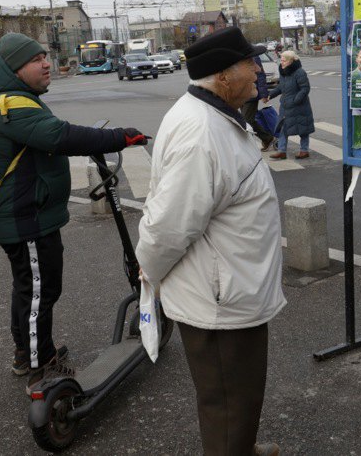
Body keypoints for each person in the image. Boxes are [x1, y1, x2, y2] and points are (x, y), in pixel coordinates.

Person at [135, 27, 284, 456]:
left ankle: (240, 447)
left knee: (241, 392)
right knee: (227, 400)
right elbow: (168, 227)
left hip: (231, 287)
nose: (258, 70)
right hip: (217, 298)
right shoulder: (201, 134)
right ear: (222, 76)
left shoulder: (218, 115)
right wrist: (149, 273)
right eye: (249, 63)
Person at [0, 32, 146, 394]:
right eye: (36, 59)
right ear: (15, 68)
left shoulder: (6, 99)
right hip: (25, 217)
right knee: (39, 291)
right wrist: (119, 137)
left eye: (45, 56)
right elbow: (60, 136)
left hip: (23, 214)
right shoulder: (10, 106)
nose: (47, 63)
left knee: (28, 288)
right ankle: (41, 369)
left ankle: (28, 354)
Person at [268, 50, 314, 160]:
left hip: (299, 106)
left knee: (303, 128)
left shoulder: (299, 72)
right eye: (281, 60)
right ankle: (282, 151)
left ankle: (304, 150)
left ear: (291, 61)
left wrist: (295, 100)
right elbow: (280, 87)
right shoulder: (284, 72)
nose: (281, 63)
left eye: (284, 61)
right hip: (286, 106)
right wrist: (270, 95)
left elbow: (305, 88)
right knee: (284, 128)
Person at [240, 55, 275, 151]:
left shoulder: (252, 55)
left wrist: (263, 94)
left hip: (251, 93)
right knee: (246, 120)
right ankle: (267, 138)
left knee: (247, 120)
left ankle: (268, 138)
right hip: (240, 93)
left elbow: (260, 75)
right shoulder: (235, 54)